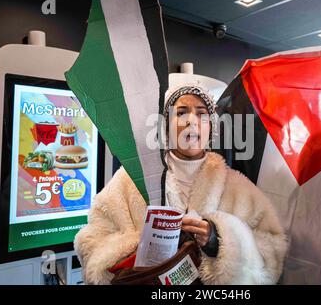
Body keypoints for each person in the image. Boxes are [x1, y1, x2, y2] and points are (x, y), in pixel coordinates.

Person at [74, 85, 288, 284]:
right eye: (182, 112)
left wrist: (218, 241)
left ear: (211, 126)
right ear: (166, 124)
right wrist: (135, 251)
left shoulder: (238, 187)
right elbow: (91, 242)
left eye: (202, 114)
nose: (191, 121)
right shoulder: (131, 180)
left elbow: (273, 252)